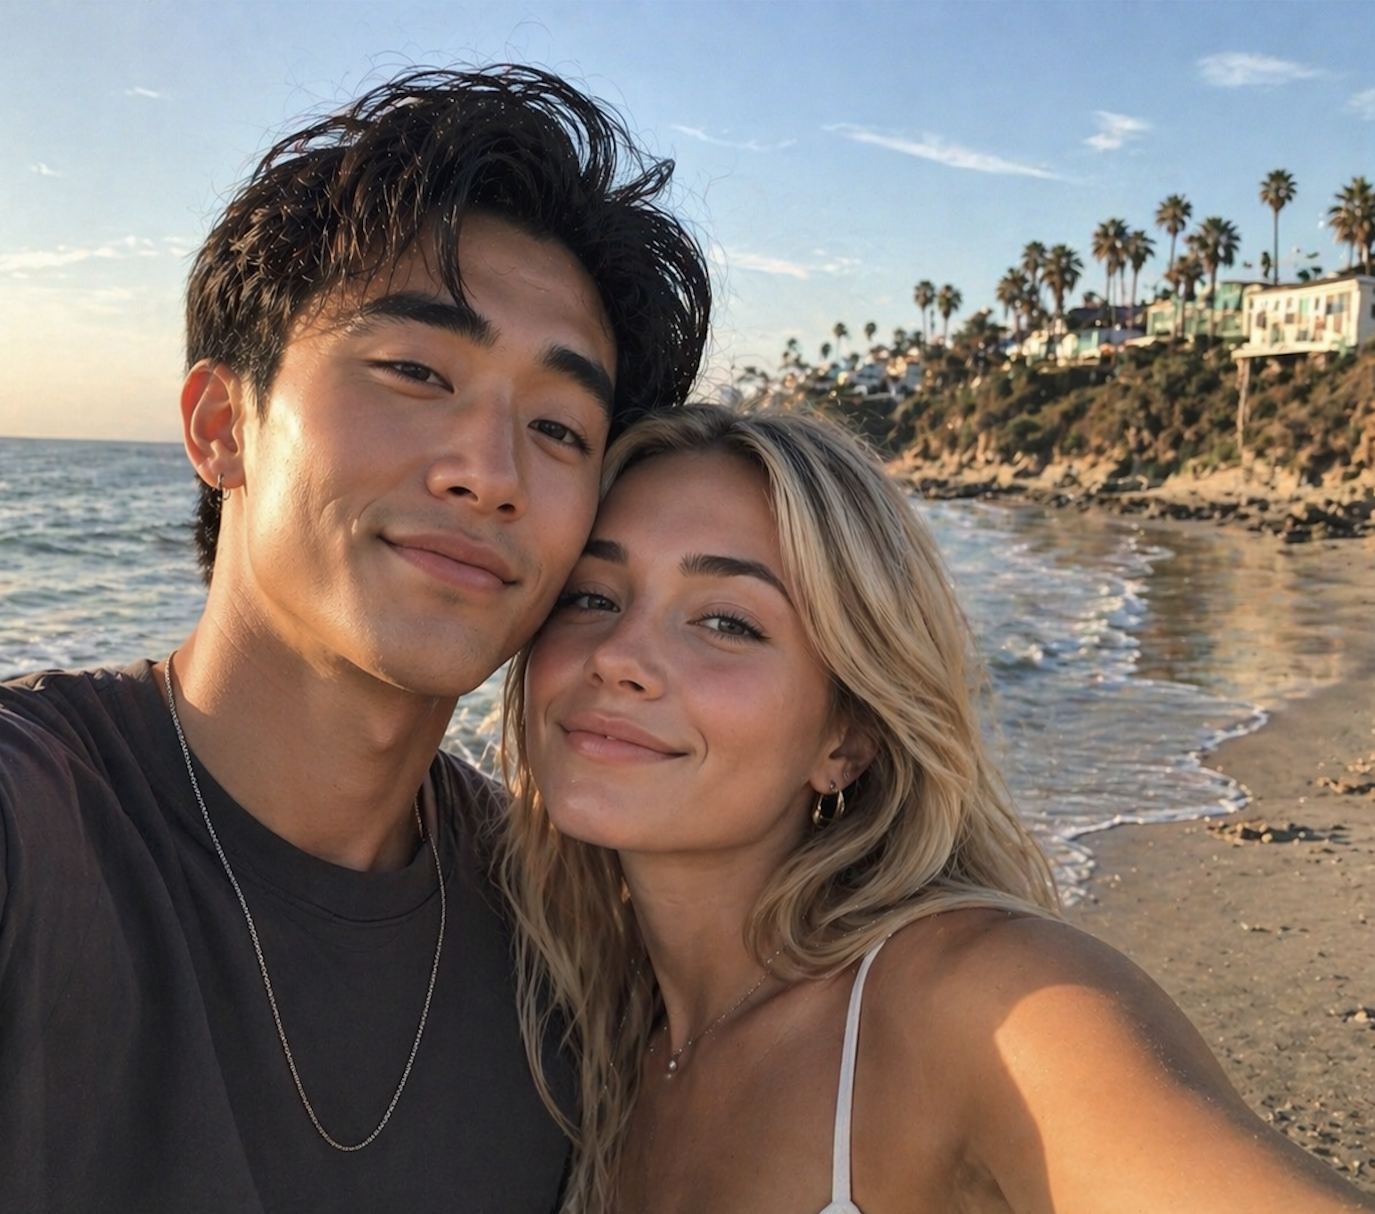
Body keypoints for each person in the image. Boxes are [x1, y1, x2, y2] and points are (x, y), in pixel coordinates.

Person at [0, 66, 709, 1214]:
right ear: (219, 423)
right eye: (415, 371)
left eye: (558, 426)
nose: (489, 471)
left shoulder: (566, 922)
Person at [496, 403, 1375, 1214]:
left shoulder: (988, 1005)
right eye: (592, 598)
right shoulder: (580, 1030)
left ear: (847, 738)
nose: (617, 655)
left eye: (727, 621)